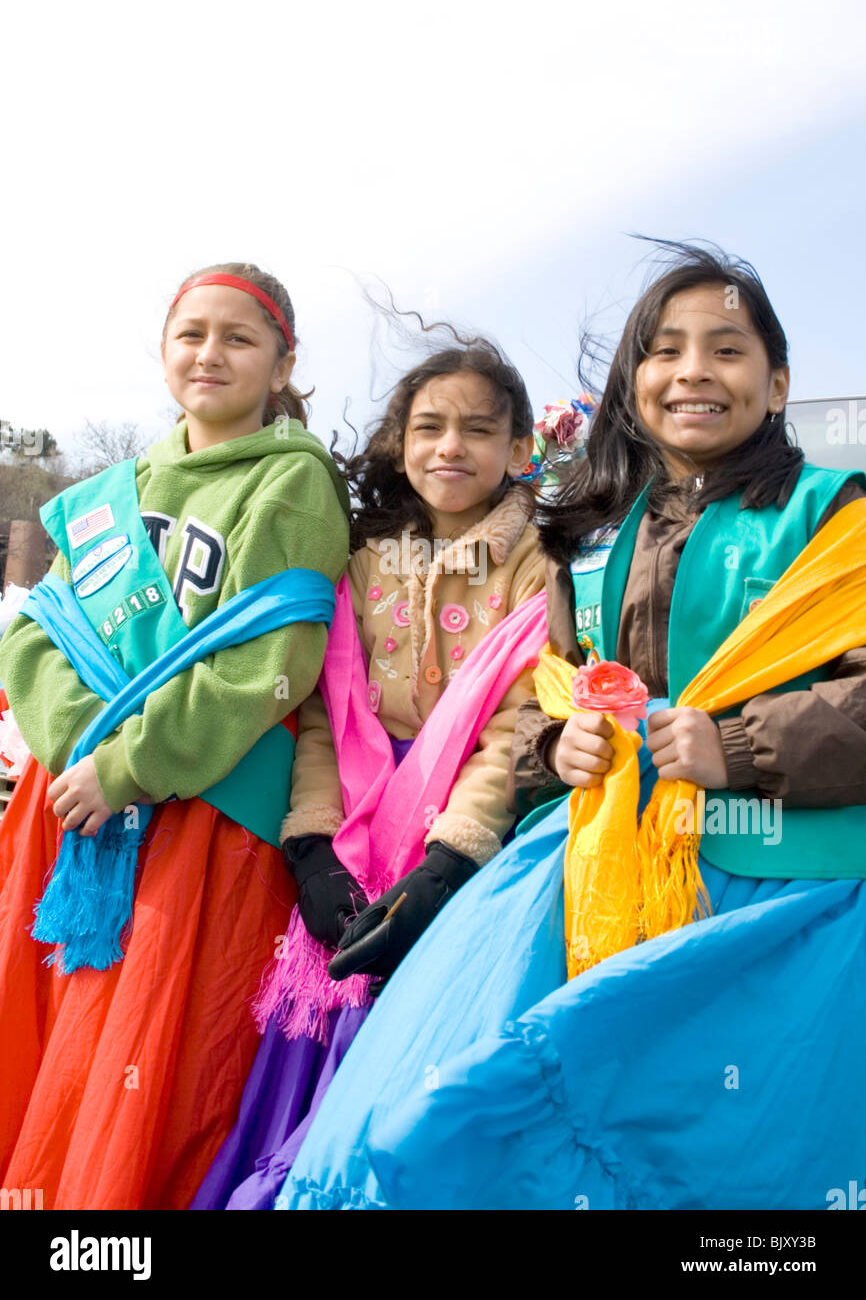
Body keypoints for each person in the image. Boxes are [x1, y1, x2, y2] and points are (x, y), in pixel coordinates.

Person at [271, 241, 866, 1211]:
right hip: (583, 875)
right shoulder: (590, 543)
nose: (691, 371)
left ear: (777, 380)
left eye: (724, 348)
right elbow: (546, 709)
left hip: (783, 894)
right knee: (434, 1120)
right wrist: (561, 748)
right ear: (632, 386)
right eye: (662, 350)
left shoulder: (830, 517)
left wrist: (741, 746)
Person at [0, 263, 349, 1209]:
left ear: (282, 364)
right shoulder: (109, 493)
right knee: (51, 1042)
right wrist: (88, 748)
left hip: (199, 812)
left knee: (157, 1065)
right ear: (163, 352)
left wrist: (132, 764)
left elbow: (271, 662)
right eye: (192, 333)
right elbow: (36, 635)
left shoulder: (292, 484)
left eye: (240, 337)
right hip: (74, 803)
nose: (211, 353)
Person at [193, 334, 548, 1209]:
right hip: (350, 840)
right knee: (303, 1067)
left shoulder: (537, 570)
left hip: (462, 855)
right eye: (428, 427)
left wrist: (447, 861)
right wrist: (311, 848)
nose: (450, 448)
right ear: (400, 443)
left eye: (477, 429)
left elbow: (513, 728)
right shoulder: (359, 561)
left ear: (519, 449)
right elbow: (321, 718)